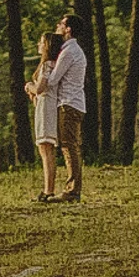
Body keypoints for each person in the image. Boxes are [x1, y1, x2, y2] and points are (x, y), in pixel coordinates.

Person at [45, 13, 88, 202]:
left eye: (61, 24)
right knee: (69, 146)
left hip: (68, 103)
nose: (58, 26)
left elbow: (53, 79)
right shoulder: (71, 50)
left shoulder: (69, 52)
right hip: (72, 103)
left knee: (69, 147)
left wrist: (36, 83)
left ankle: (72, 191)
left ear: (68, 29)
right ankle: (72, 189)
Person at [24, 32, 65, 201]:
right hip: (44, 105)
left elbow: (40, 88)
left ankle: (48, 190)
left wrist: (29, 86)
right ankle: (48, 188)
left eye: (41, 42)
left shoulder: (47, 65)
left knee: (46, 148)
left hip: (47, 106)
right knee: (45, 149)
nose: (38, 45)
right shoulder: (52, 65)